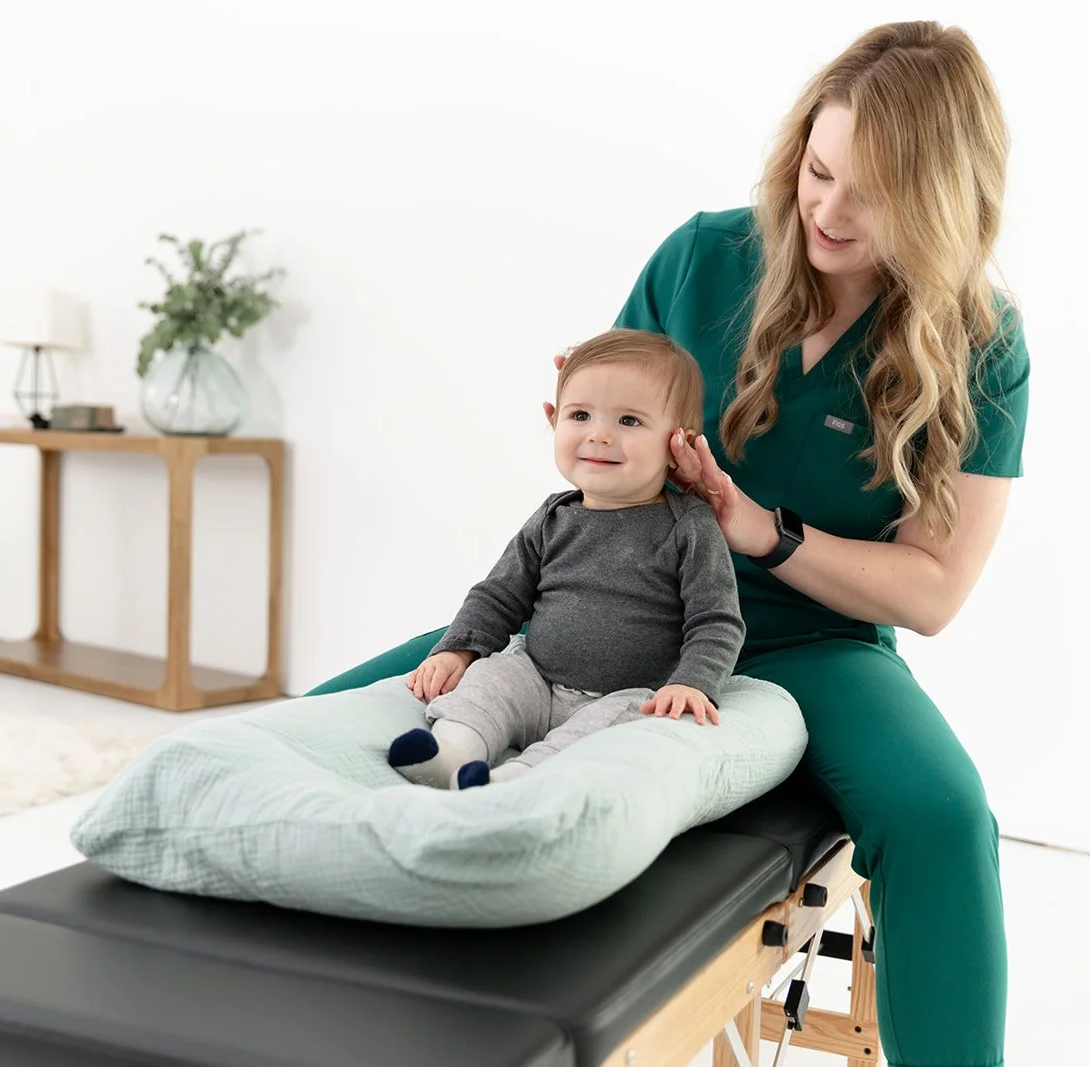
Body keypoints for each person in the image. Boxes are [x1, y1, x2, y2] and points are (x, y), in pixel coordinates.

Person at [312, 20, 1028, 1067]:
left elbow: (930, 590)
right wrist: (597, 428)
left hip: (810, 646)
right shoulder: (704, 255)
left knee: (943, 817)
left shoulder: (981, 344)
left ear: (939, 201)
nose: (825, 211)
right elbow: (597, 469)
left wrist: (756, 530)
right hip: (614, 607)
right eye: (817, 171)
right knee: (326, 719)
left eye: (868, 192)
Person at [386, 328, 745, 791]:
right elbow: (498, 595)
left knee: (619, 731)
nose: (598, 435)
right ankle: (453, 751)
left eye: (629, 421)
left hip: (624, 694)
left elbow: (717, 621)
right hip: (536, 676)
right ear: (554, 420)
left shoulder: (688, 526)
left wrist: (692, 683)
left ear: (678, 441)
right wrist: (460, 648)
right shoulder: (553, 516)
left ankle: (516, 782)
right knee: (491, 680)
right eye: (580, 415)